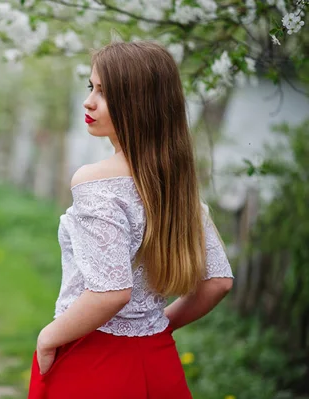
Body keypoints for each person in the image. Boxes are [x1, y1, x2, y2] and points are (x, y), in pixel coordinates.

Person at [27, 41, 234, 399]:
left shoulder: (96, 181)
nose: (89, 102)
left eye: (105, 93)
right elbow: (218, 283)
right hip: (160, 363)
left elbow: (111, 293)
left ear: (139, 104)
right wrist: (153, 327)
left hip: (94, 363)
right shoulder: (176, 184)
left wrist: (48, 337)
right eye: (91, 88)